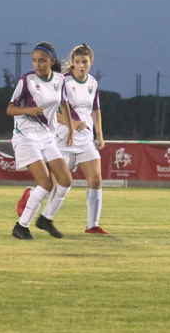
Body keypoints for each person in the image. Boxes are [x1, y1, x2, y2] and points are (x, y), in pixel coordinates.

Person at [23, 44, 109, 234]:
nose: (81, 65)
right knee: (53, 184)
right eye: (77, 62)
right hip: (62, 140)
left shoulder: (92, 83)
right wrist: (72, 124)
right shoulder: (62, 81)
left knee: (95, 179)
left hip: (85, 141)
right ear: (73, 63)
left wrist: (99, 134)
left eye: (85, 62)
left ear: (91, 62)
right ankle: (30, 196)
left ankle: (92, 225)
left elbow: (95, 109)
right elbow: (50, 110)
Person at [7, 42, 74, 240]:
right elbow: (10, 109)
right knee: (45, 183)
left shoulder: (60, 80)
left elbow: (64, 104)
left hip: (46, 137)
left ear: (52, 61)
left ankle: (45, 219)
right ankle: (21, 226)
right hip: (25, 137)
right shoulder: (27, 80)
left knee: (65, 180)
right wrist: (28, 110)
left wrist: (70, 129)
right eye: (34, 60)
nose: (37, 64)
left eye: (42, 60)